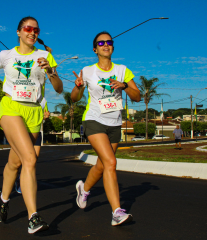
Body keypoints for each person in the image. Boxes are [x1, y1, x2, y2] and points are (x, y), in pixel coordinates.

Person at [0, 16, 63, 234]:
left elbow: (59, 88)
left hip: (33, 111)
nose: (32, 32)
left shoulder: (45, 56)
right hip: (11, 107)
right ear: (19, 32)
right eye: (28, 28)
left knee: (15, 163)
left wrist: (51, 71)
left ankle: (3, 199)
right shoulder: (6, 55)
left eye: (36, 30)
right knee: (30, 158)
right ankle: (33, 217)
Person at [71, 31, 141, 226]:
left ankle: (84, 189)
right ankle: (116, 212)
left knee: (102, 165)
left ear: (112, 47)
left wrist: (125, 85)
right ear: (95, 49)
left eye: (109, 42)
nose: (105, 45)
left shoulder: (122, 70)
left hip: (115, 122)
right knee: (110, 162)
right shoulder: (88, 71)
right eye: (101, 43)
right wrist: (78, 87)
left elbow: (137, 96)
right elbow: (74, 98)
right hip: (94, 119)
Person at [14, 97, 50, 194]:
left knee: (34, 158)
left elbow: (43, 114)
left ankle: (21, 178)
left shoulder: (44, 100)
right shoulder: (24, 95)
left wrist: (45, 116)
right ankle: (19, 179)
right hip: (23, 131)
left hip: (36, 131)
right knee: (20, 159)